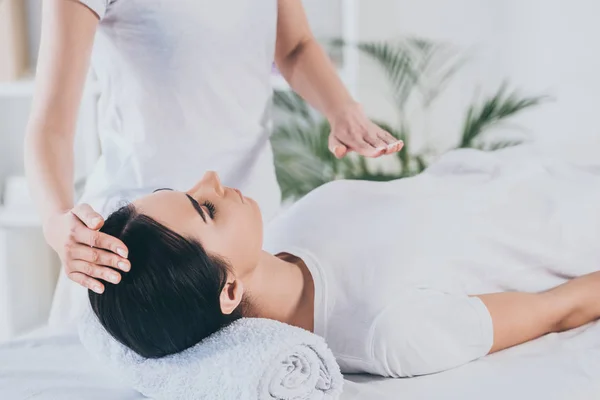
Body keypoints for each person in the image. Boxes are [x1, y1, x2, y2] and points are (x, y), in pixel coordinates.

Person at [23, 0, 403, 322]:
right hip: (141, 259)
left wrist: (342, 111)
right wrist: (56, 222)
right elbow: (51, 124)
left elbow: (294, 46)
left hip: (253, 231)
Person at [89, 147, 600, 378]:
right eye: (206, 208)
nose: (209, 178)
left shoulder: (290, 227)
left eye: (181, 192)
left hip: (544, 167)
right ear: (228, 291)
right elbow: (559, 310)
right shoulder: (389, 331)